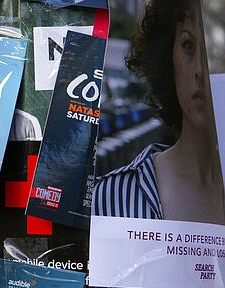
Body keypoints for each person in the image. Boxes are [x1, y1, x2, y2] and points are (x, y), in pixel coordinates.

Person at [92, 0, 225, 225]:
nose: (201, 70)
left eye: (219, 49)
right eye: (189, 45)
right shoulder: (108, 201)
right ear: (167, 55)